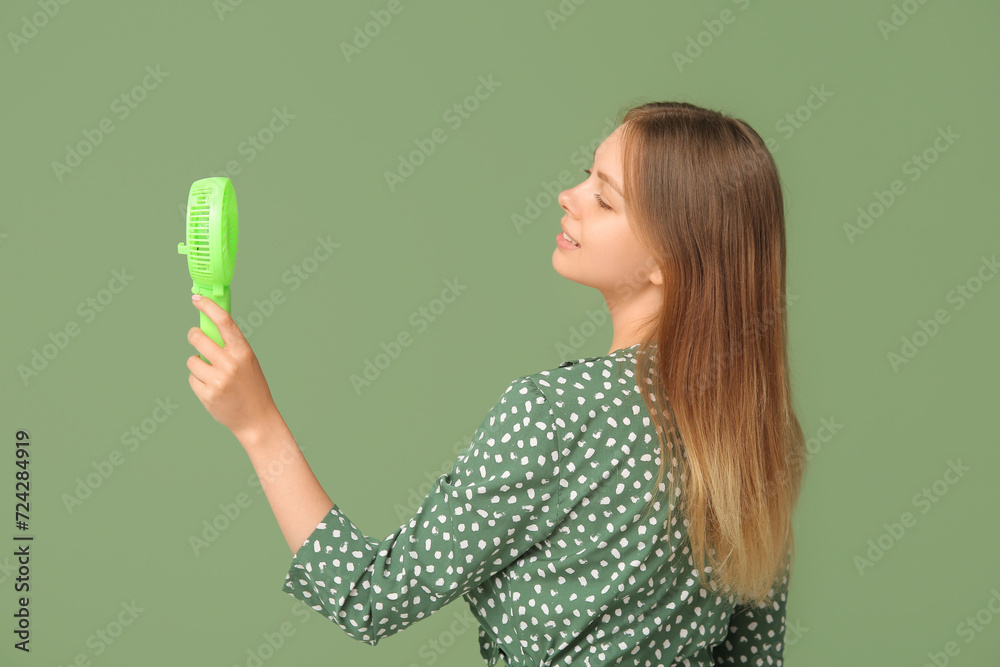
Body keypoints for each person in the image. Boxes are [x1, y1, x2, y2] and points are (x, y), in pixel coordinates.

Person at [184, 100, 807, 666]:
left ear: (669, 263)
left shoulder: (555, 414)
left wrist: (258, 425)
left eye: (606, 198)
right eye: (587, 175)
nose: (569, 195)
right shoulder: (760, 431)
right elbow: (754, 660)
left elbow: (371, 597)